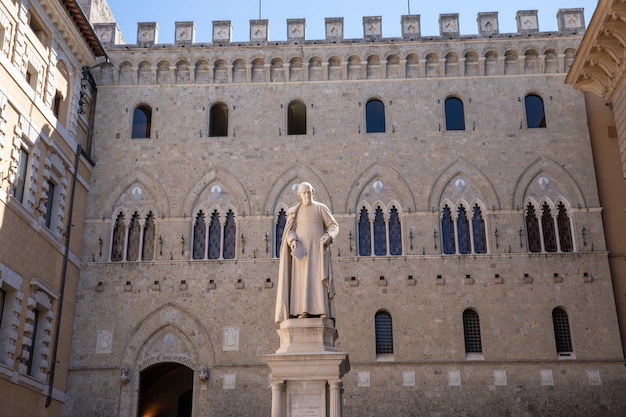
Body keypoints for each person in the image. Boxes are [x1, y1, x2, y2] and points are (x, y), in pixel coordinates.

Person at [275, 182, 339, 324]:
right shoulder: (295, 211)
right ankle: (301, 311)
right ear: (299, 195)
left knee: (318, 279)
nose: (307, 195)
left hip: (317, 251)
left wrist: (328, 236)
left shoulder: (320, 208)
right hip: (301, 254)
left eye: (309, 192)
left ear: (313, 192)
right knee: (301, 281)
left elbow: (334, 225)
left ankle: (322, 310)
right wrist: (292, 240)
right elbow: (289, 231)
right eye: (304, 193)